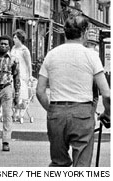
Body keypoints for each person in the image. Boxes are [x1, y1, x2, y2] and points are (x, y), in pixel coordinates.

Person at [36, 15, 111, 167]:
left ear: (65, 32)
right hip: (82, 113)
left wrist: (52, 110)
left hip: (56, 112)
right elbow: (107, 94)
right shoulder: (91, 55)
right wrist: (107, 114)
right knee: (81, 166)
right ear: (84, 32)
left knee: (58, 163)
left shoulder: (51, 55)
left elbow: (40, 91)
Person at [0, 35, 20, 152]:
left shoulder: (13, 59)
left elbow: (16, 77)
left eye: (6, 44)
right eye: (1, 43)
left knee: (8, 115)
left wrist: (17, 94)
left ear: (9, 46)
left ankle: (6, 141)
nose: (3, 46)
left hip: (7, 87)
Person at [11, 29, 33, 121]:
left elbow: (29, 64)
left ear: (20, 39)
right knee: (13, 92)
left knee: (20, 94)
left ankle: (20, 113)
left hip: (22, 74)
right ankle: (15, 112)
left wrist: (30, 75)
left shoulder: (24, 50)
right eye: (14, 37)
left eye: (16, 37)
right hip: (13, 73)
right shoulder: (13, 48)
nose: (14, 39)